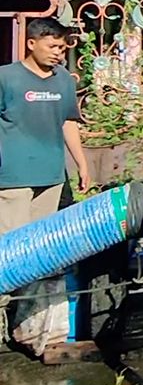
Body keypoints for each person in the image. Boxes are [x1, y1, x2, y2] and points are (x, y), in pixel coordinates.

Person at [0, 18, 91, 237]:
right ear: (31, 44)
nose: (57, 53)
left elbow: (68, 121)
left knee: (40, 245)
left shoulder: (65, 80)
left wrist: (82, 164)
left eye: (61, 48)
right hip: (14, 178)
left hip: (52, 177)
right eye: (52, 47)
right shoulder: (6, 77)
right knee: (12, 246)